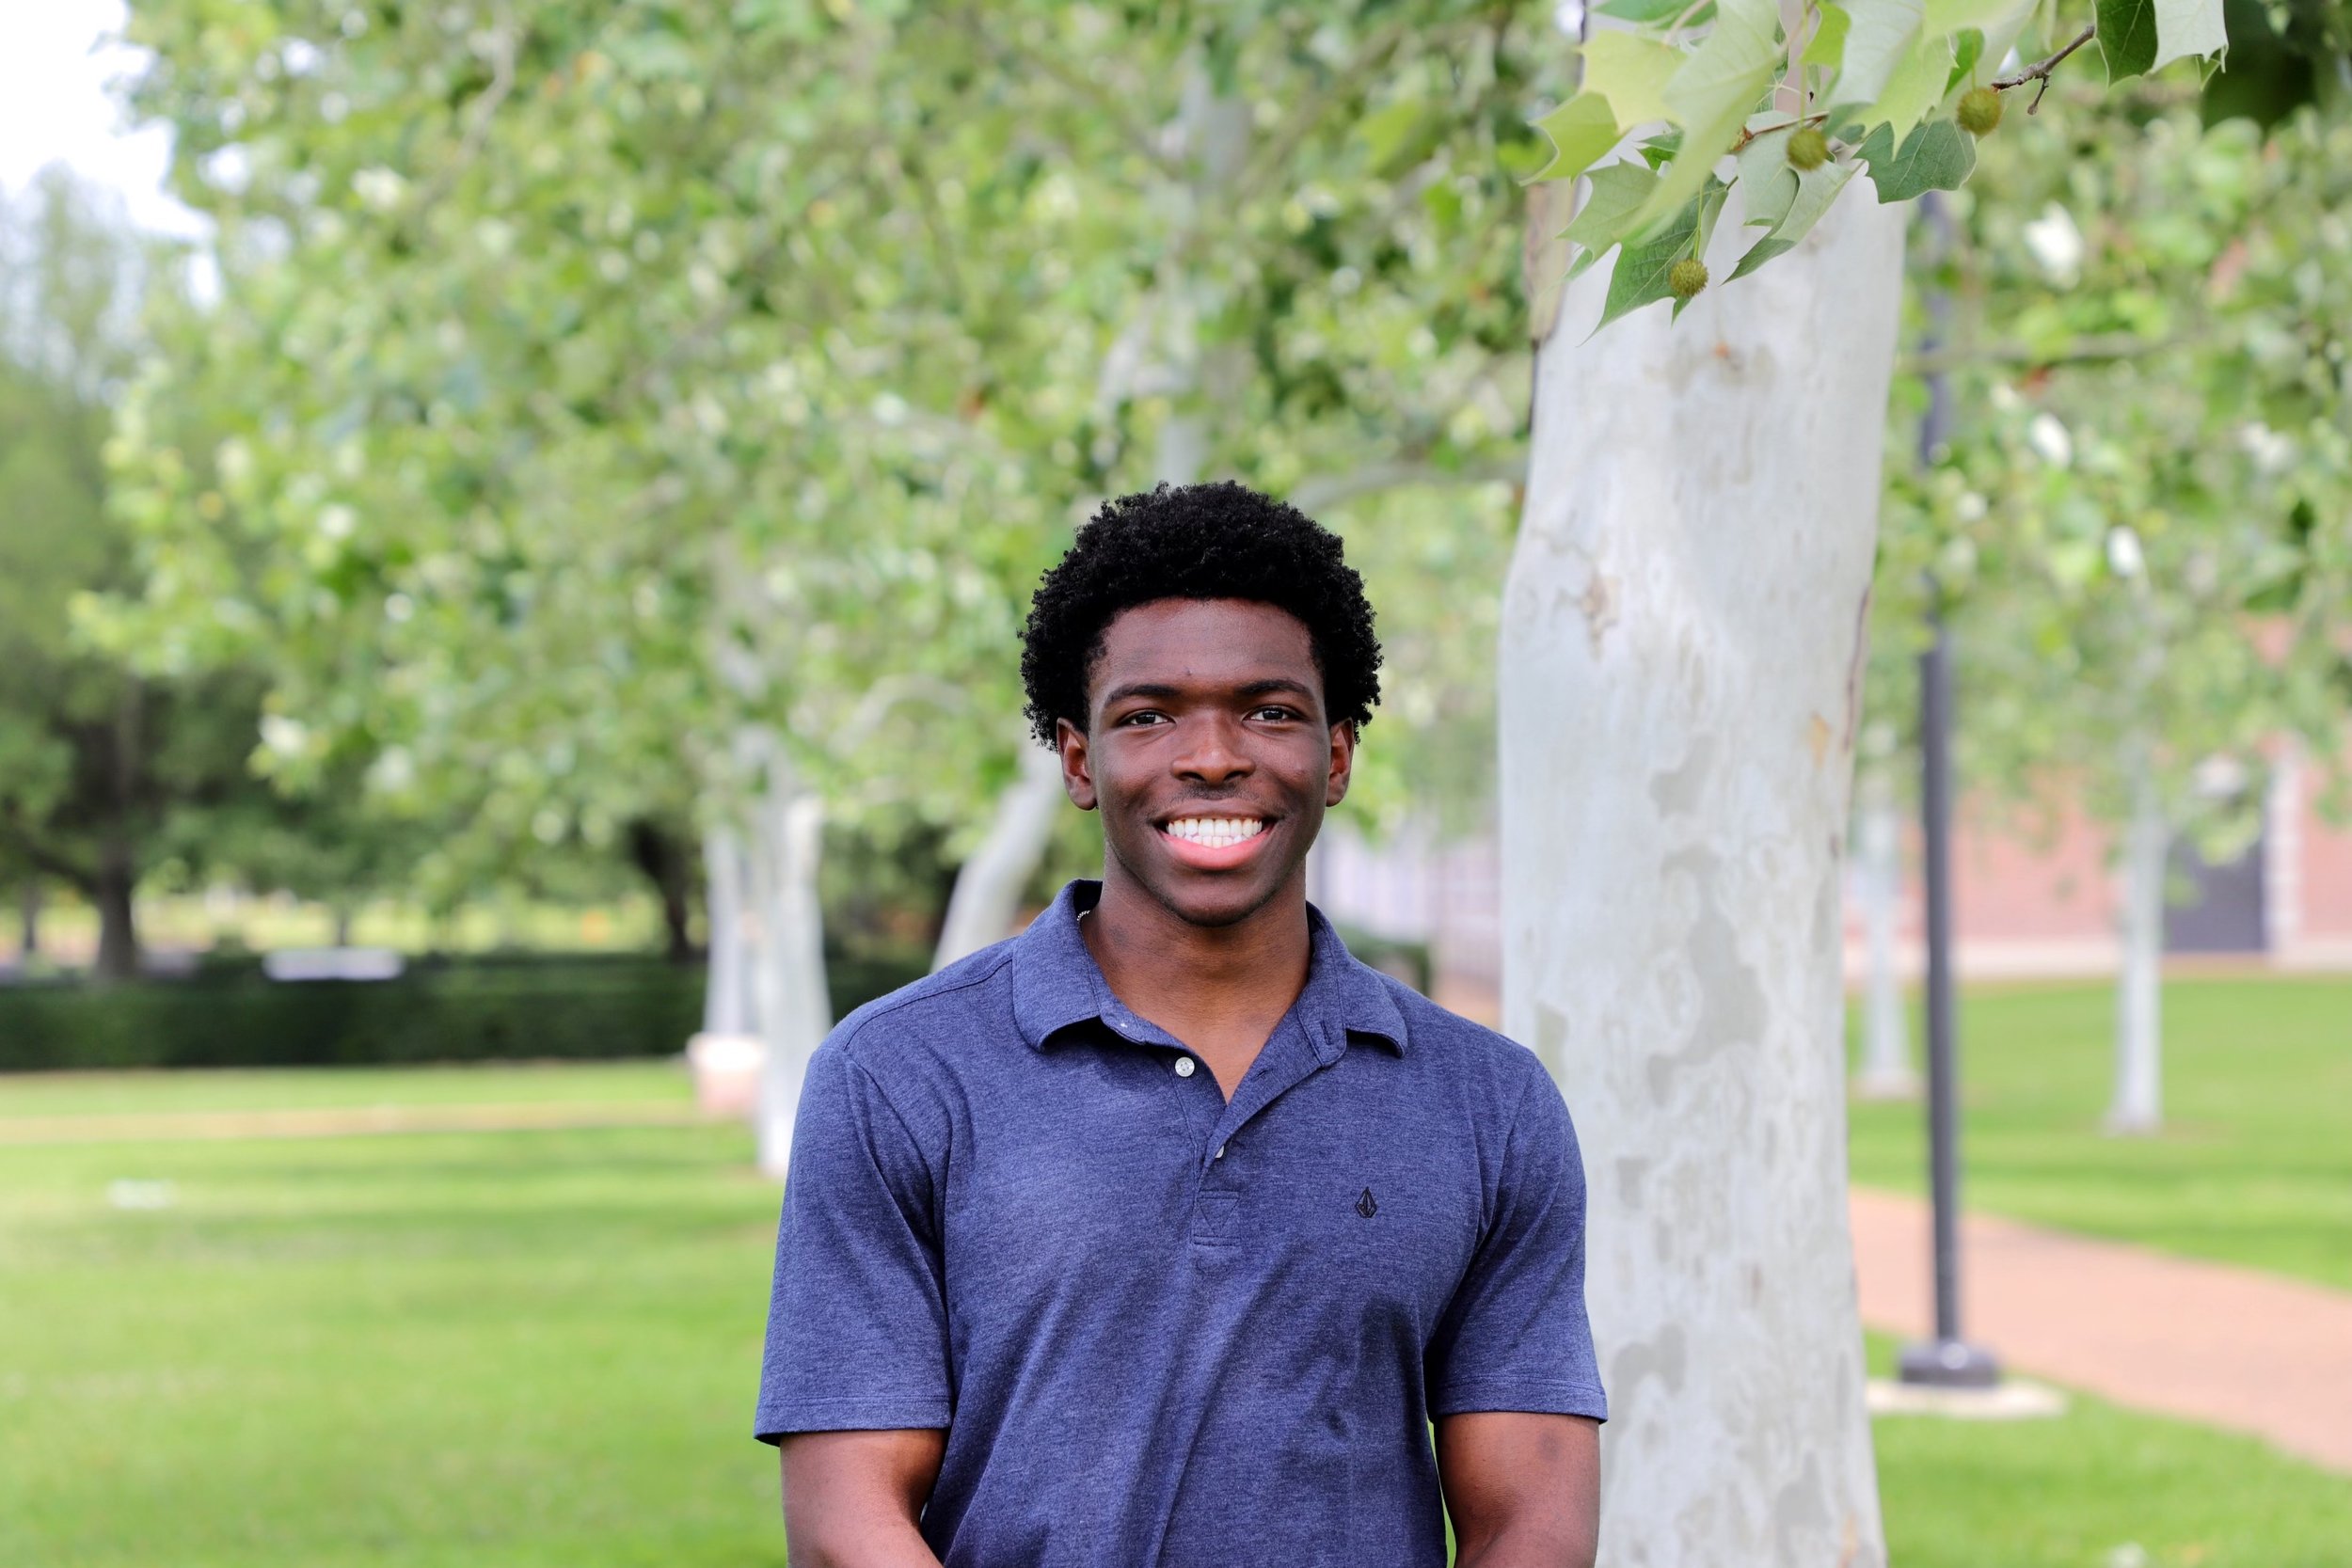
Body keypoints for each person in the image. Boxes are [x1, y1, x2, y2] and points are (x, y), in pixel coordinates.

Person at [755, 482, 1605, 1567]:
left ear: (1337, 755)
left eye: (1269, 710)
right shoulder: (895, 1076)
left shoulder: (1488, 1102)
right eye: (1149, 714)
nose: (1210, 755)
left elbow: (1531, 1510)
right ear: (1077, 758)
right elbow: (846, 1520)